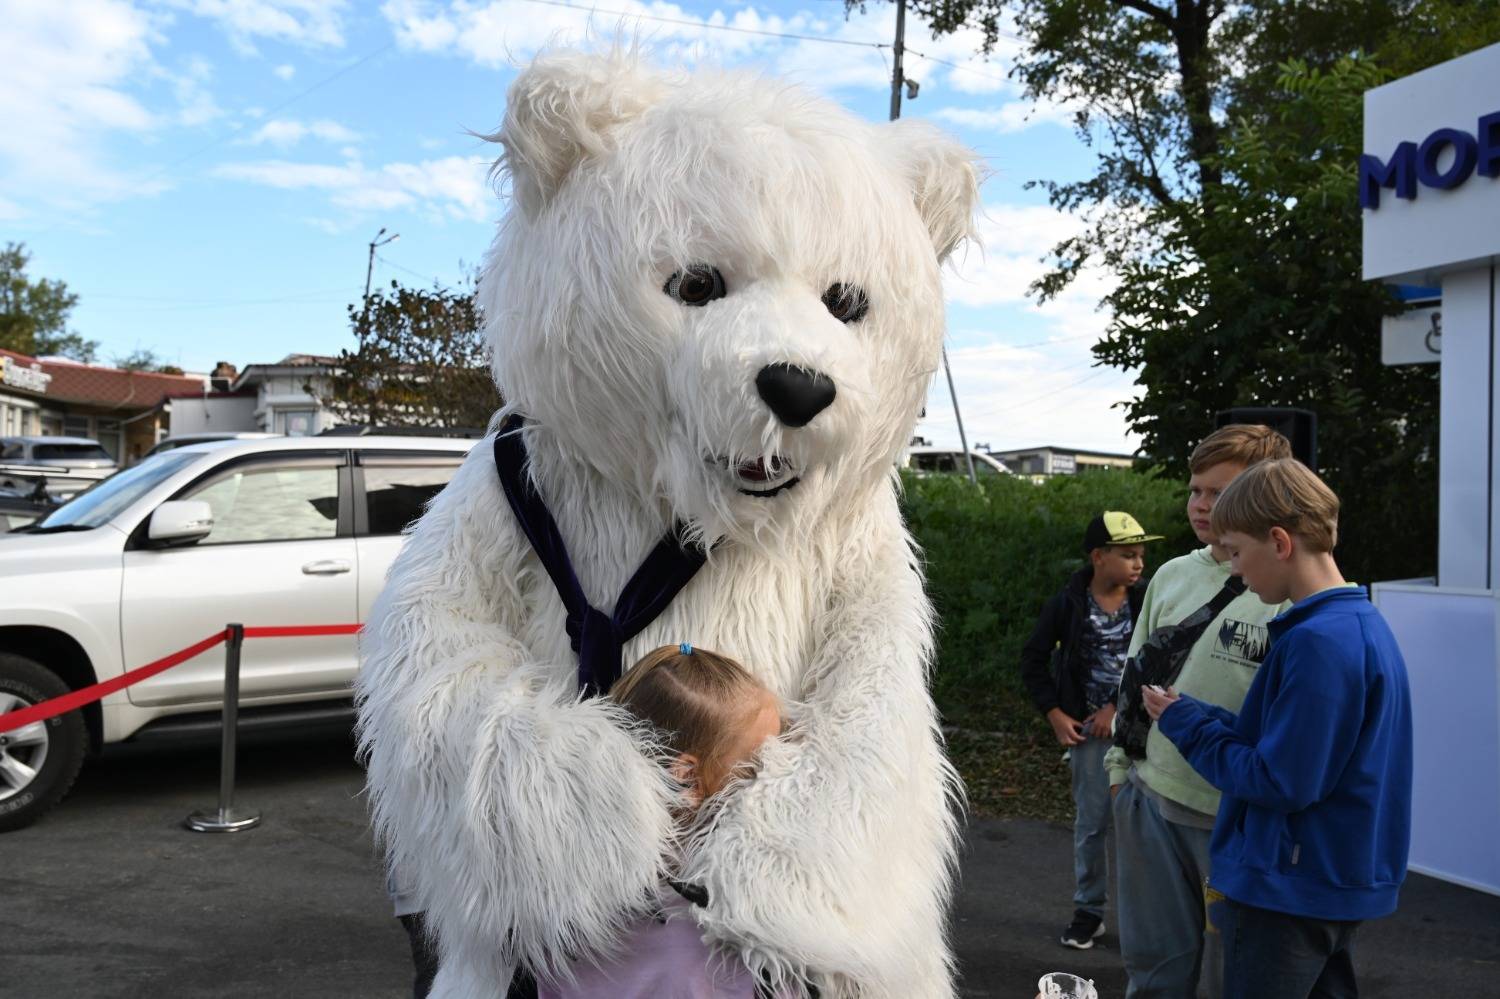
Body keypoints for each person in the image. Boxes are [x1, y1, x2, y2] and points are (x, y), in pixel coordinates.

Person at [1143, 459, 1412, 999]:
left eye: (1238, 552)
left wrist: (1185, 726)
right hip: (1325, 881)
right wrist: (1192, 713)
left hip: (1286, 890)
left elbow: (1281, 781)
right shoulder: (1359, 624)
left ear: (1280, 542)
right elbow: (1289, 747)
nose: (1237, 572)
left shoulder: (1317, 643)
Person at [1103, 424, 1292, 999]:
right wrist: (1119, 774)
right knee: (1153, 973)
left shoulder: (1285, 586)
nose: (1202, 506)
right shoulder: (1171, 574)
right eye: (1195, 491)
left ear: (1265, 495)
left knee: (1226, 981)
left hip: (1229, 820)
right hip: (1148, 800)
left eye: (1220, 492)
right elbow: (1134, 675)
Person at [537, 643, 786, 999]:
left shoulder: (558, 899)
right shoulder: (709, 938)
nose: (776, 782)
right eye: (757, 766)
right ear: (686, 779)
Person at [1020, 512, 1161, 949]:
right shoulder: (1068, 604)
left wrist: (1117, 708)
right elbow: (1032, 661)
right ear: (1099, 557)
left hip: (1145, 731)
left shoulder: (1148, 602)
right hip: (1090, 737)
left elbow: (1162, 661)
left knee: (1149, 827)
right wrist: (1055, 714)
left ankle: (1153, 920)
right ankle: (1089, 913)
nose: (1139, 564)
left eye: (1141, 555)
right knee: (1092, 825)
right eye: (1128, 555)